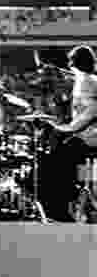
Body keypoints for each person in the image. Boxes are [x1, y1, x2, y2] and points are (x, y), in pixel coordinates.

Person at [42, 45, 97, 222]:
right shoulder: (85, 79)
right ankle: (71, 199)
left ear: (75, 65)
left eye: (71, 65)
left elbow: (80, 123)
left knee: (54, 160)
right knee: (58, 149)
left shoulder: (88, 84)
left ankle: (60, 210)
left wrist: (56, 126)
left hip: (91, 140)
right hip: (86, 137)